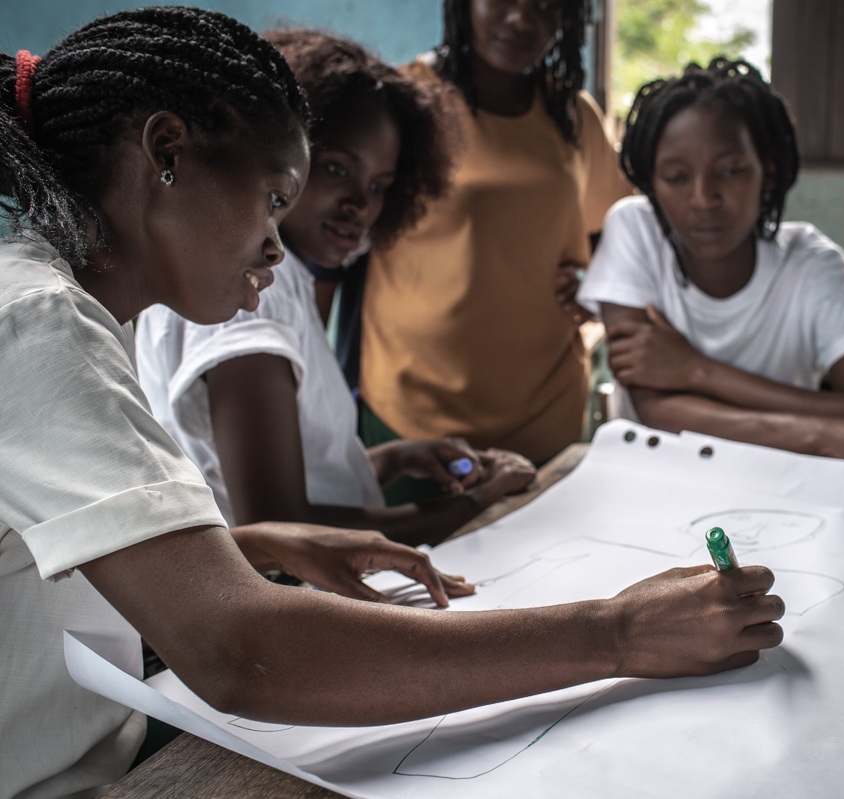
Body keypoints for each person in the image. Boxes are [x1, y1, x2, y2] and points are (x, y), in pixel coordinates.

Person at [0, 10, 784, 799]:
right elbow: (238, 649)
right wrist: (617, 631)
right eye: (274, 198)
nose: (277, 245)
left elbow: (48, 552)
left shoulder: (76, 302)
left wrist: (252, 543)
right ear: (166, 153)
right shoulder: (38, 318)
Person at [136, 29, 535, 544]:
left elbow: (281, 471)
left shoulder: (284, 278)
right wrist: (477, 504)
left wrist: (391, 460)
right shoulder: (252, 292)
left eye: (378, 186)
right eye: (336, 169)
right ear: (284, 159)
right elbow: (278, 526)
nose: (360, 204)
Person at [577, 59, 844, 468]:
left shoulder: (812, 265)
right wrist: (822, 434)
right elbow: (658, 411)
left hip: (783, 487)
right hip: (660, 482)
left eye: (730, 171)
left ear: (769, 173)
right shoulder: (635, 229)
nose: (703, 198)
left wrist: (697, 371)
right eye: (675, 177)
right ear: (651, 184)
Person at [355, 0, 632, 492]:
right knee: (411, 564)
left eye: (548, 6)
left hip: (548, 414)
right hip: (414, 418)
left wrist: (593, 289)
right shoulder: (404, 102)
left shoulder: (571, 112)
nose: (523, 18)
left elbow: (615, 232)